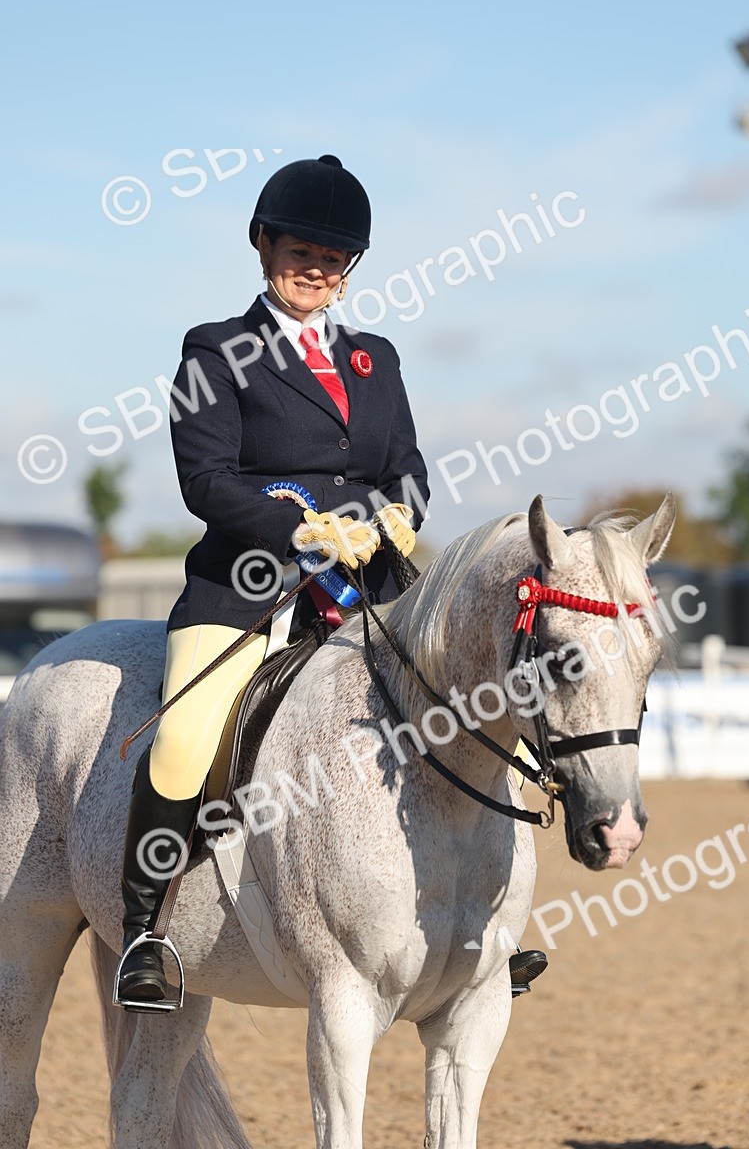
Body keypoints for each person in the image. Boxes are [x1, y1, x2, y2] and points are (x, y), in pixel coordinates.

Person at [116, 154, 544, 1008]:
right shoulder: (216, 351)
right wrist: (299, 526)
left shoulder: (374, 359)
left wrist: (397, 516)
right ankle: (145, 931)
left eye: (334, 256)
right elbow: (205, 480)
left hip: (371, 589)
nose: (316, 267)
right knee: (188, 737)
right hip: (253, 583)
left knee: (488, 720)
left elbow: (407, 467)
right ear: (264, 244)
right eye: (301, 248)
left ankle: (489, 927)